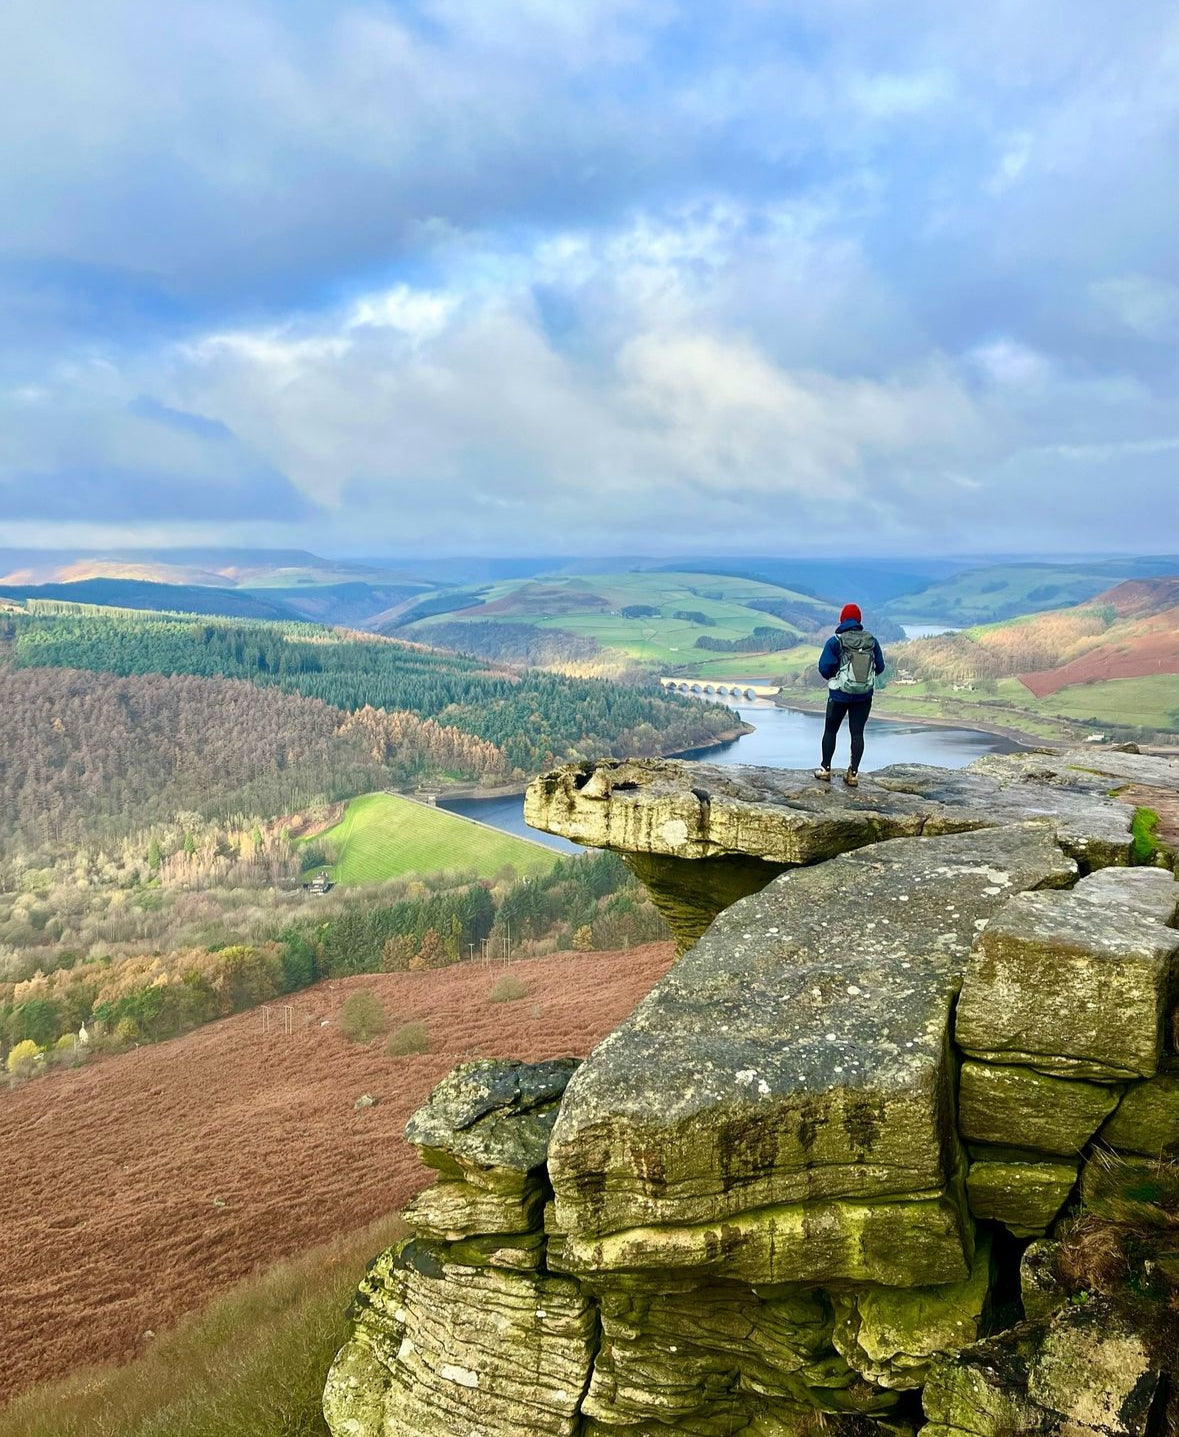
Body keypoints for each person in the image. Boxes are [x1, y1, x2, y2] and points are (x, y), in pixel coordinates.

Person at [814, 603, 884, 787]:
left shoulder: (835, 641)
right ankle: (853, 774)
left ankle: (825, 769)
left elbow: (824, 667)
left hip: (839, 695)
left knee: (830, 730)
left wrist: (836, 677)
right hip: (863, 697)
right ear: (859, 620)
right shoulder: (871, 641)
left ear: (842, 619)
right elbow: (881, 667)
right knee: (857, 733)